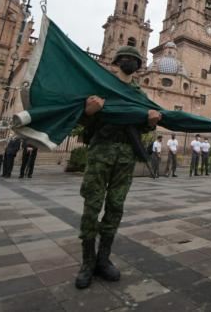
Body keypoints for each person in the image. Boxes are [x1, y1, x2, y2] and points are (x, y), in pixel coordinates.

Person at [74, 45, 162, 289]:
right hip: (101, 152)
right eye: (125, 58)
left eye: (133, 59)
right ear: (116, 62)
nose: (129, 62)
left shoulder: (139, 95)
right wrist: (89, 111)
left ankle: (103, 259)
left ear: (139, 66)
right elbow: (81, 116)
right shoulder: (102, 85)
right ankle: (87, 262)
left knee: (115, 206)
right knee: (92, 206)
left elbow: (143, 123)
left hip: (125, 156)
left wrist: (151, 122)